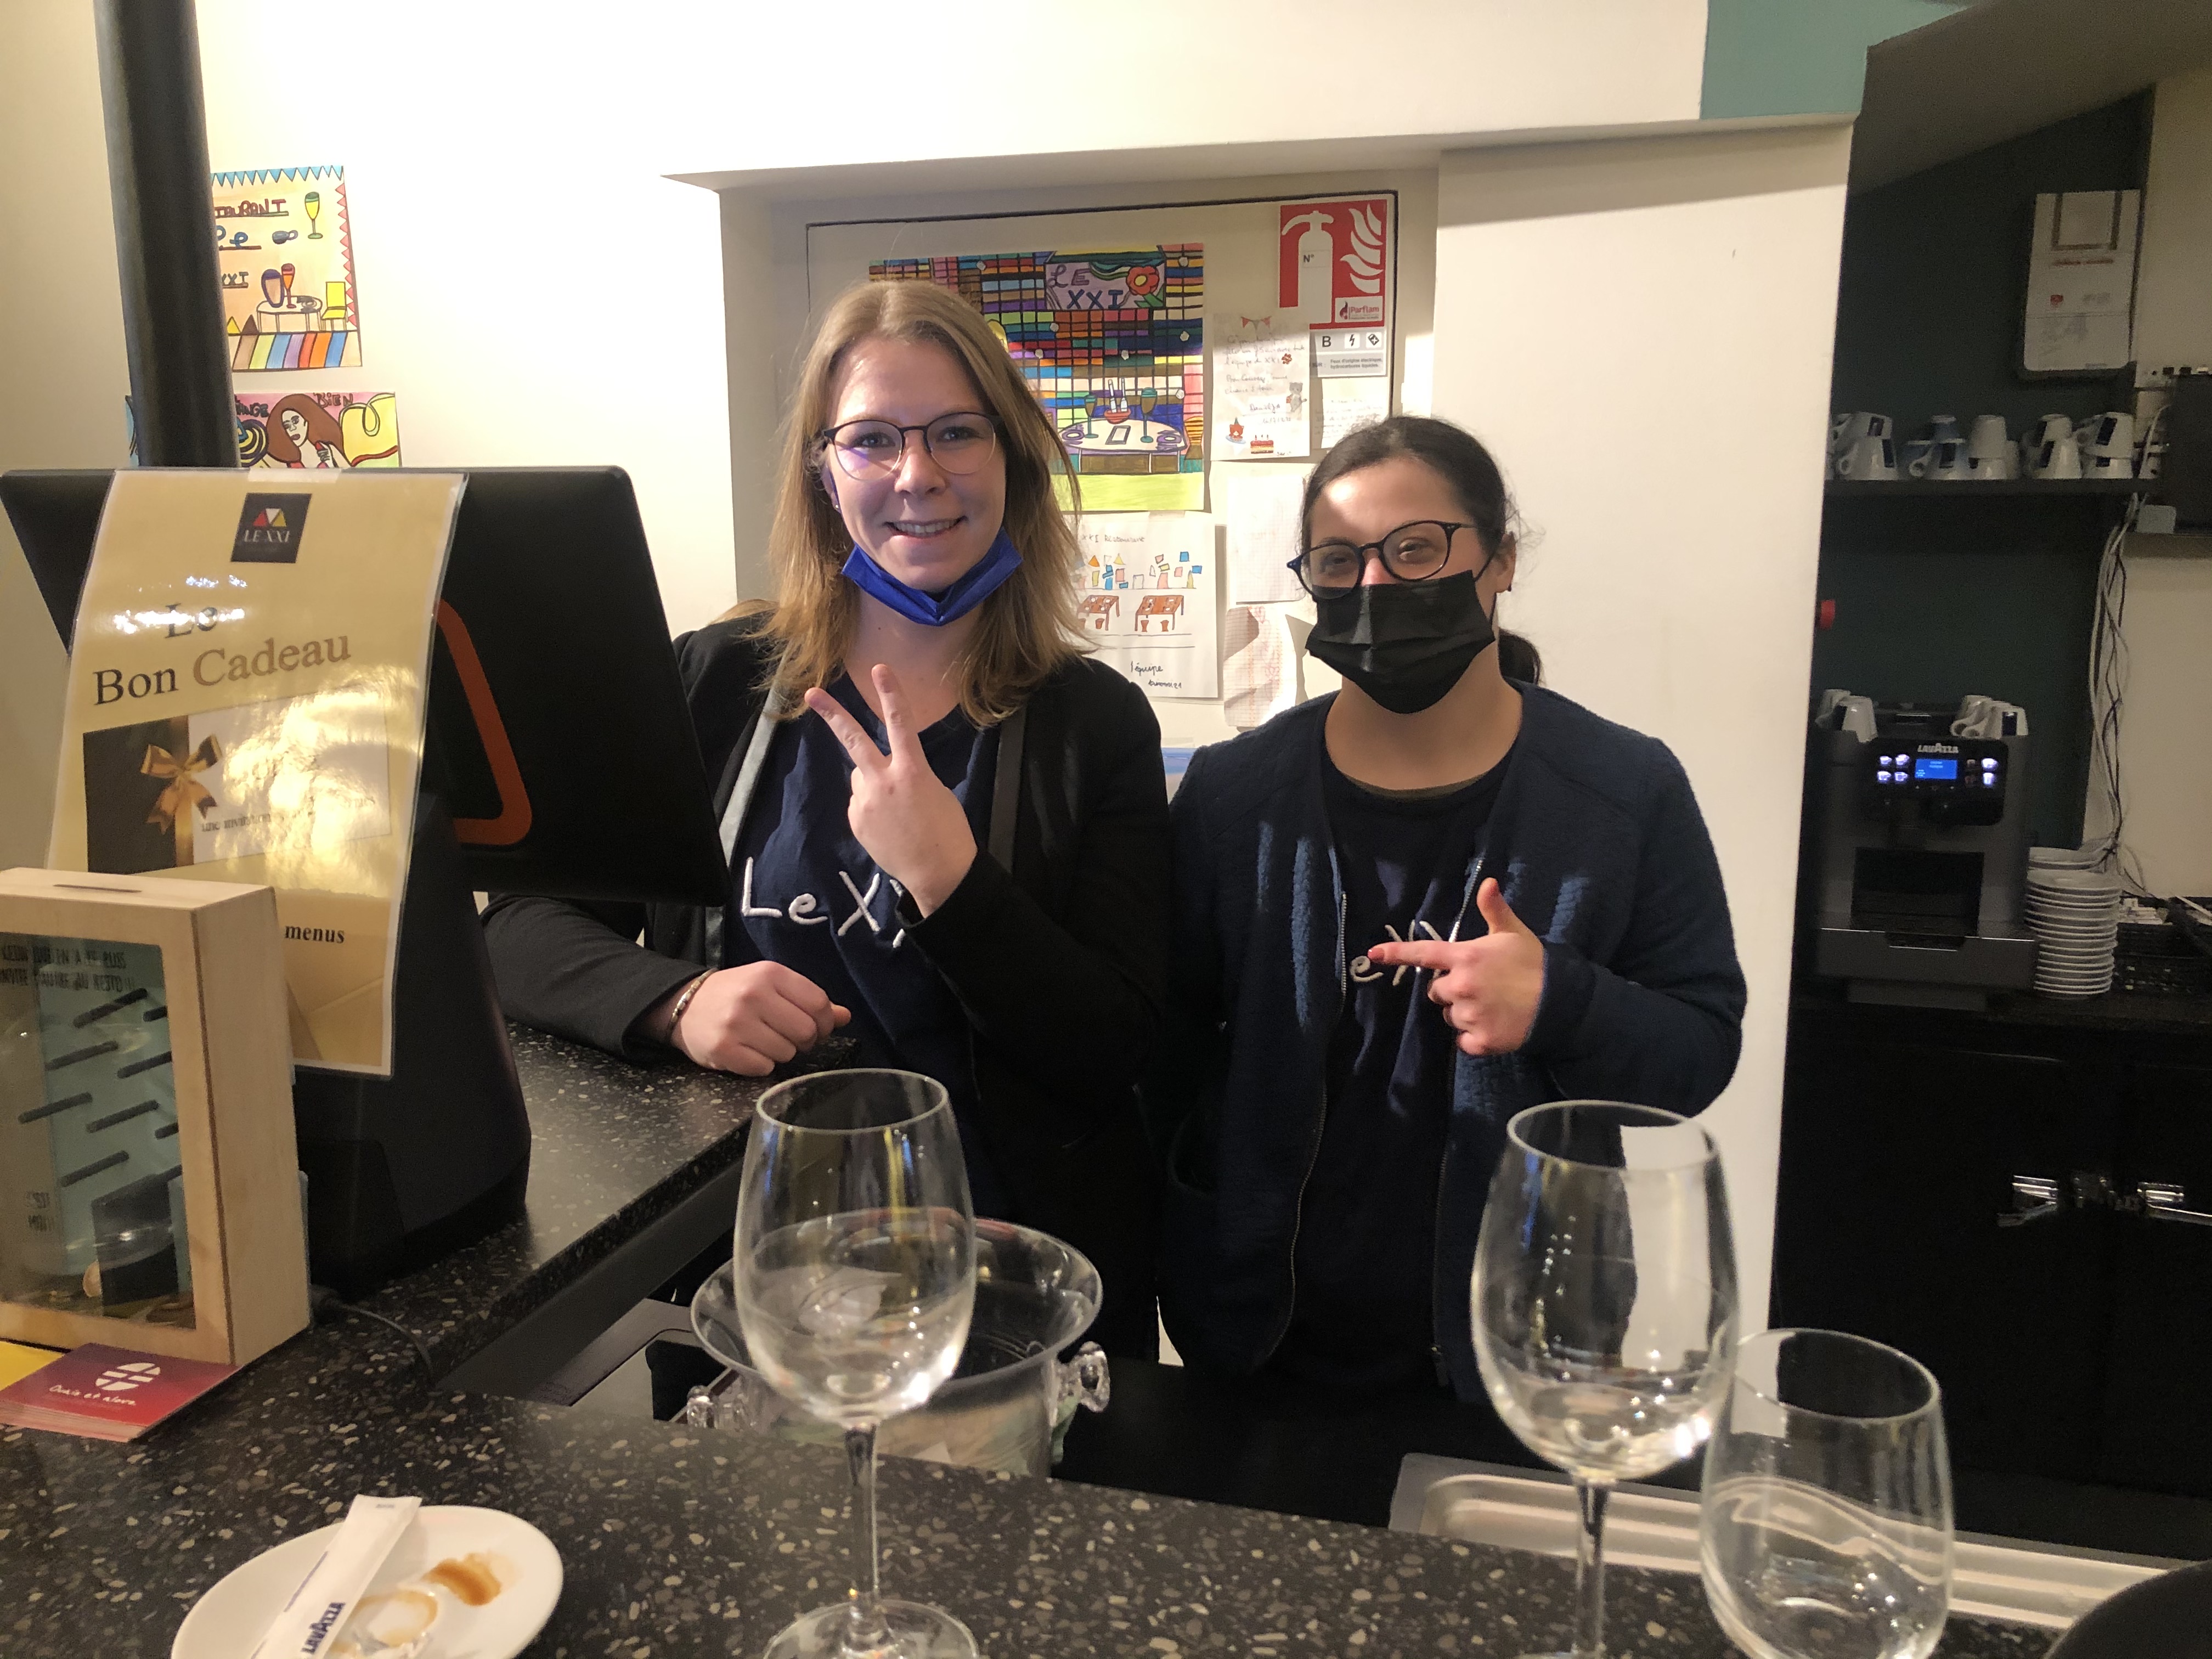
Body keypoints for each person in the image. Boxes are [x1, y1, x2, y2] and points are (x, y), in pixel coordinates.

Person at [483, 278, 1170, 1356]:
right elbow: (519, 930)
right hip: (752, 1280)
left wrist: (951, 882)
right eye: (872, 440)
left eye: (957, 432)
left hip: (1002, 1291)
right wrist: (677, 1000)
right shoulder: (717, 683)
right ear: (823, 471)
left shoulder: (1094, 723)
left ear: (1013, 458)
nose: (918, 474)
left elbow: (1118, 1048)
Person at [1147, 414, 1743, 1405]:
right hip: (1257, 1346)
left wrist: (1561, 1001)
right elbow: (1164, 1054)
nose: (1377, 585)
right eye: (1339, 562)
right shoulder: (1232, 797)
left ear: (1500, 559)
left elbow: (1701, 1050)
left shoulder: (1624, 792)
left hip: (1527, 1356)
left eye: (1417, 549)